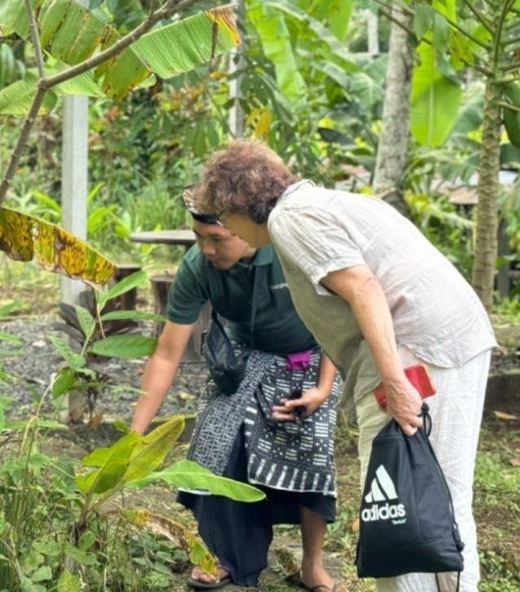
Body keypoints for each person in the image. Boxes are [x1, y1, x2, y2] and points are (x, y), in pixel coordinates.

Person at [199, 139, 497, 592]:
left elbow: (363, 287)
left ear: (238, 207)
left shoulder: (289, 218)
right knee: (442, 494)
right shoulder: (322, 201)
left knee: (395, 497)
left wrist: (394, 382)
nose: (226, 228)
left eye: (223, 217)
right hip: (451, 339)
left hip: (416, 350)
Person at [131, 186, 345, 592]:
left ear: (246, 229)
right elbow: (166, 354)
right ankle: (227, 557)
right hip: (243, 360)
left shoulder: (290, 251)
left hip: (311, 360)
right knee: (215, 440)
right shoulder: (197, 266)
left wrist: (321, 390)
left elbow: (336, 318)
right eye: (198, 237)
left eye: (216, 238)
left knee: (312, 450)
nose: (206, 249)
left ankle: (312, 564)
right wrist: (133, 436)